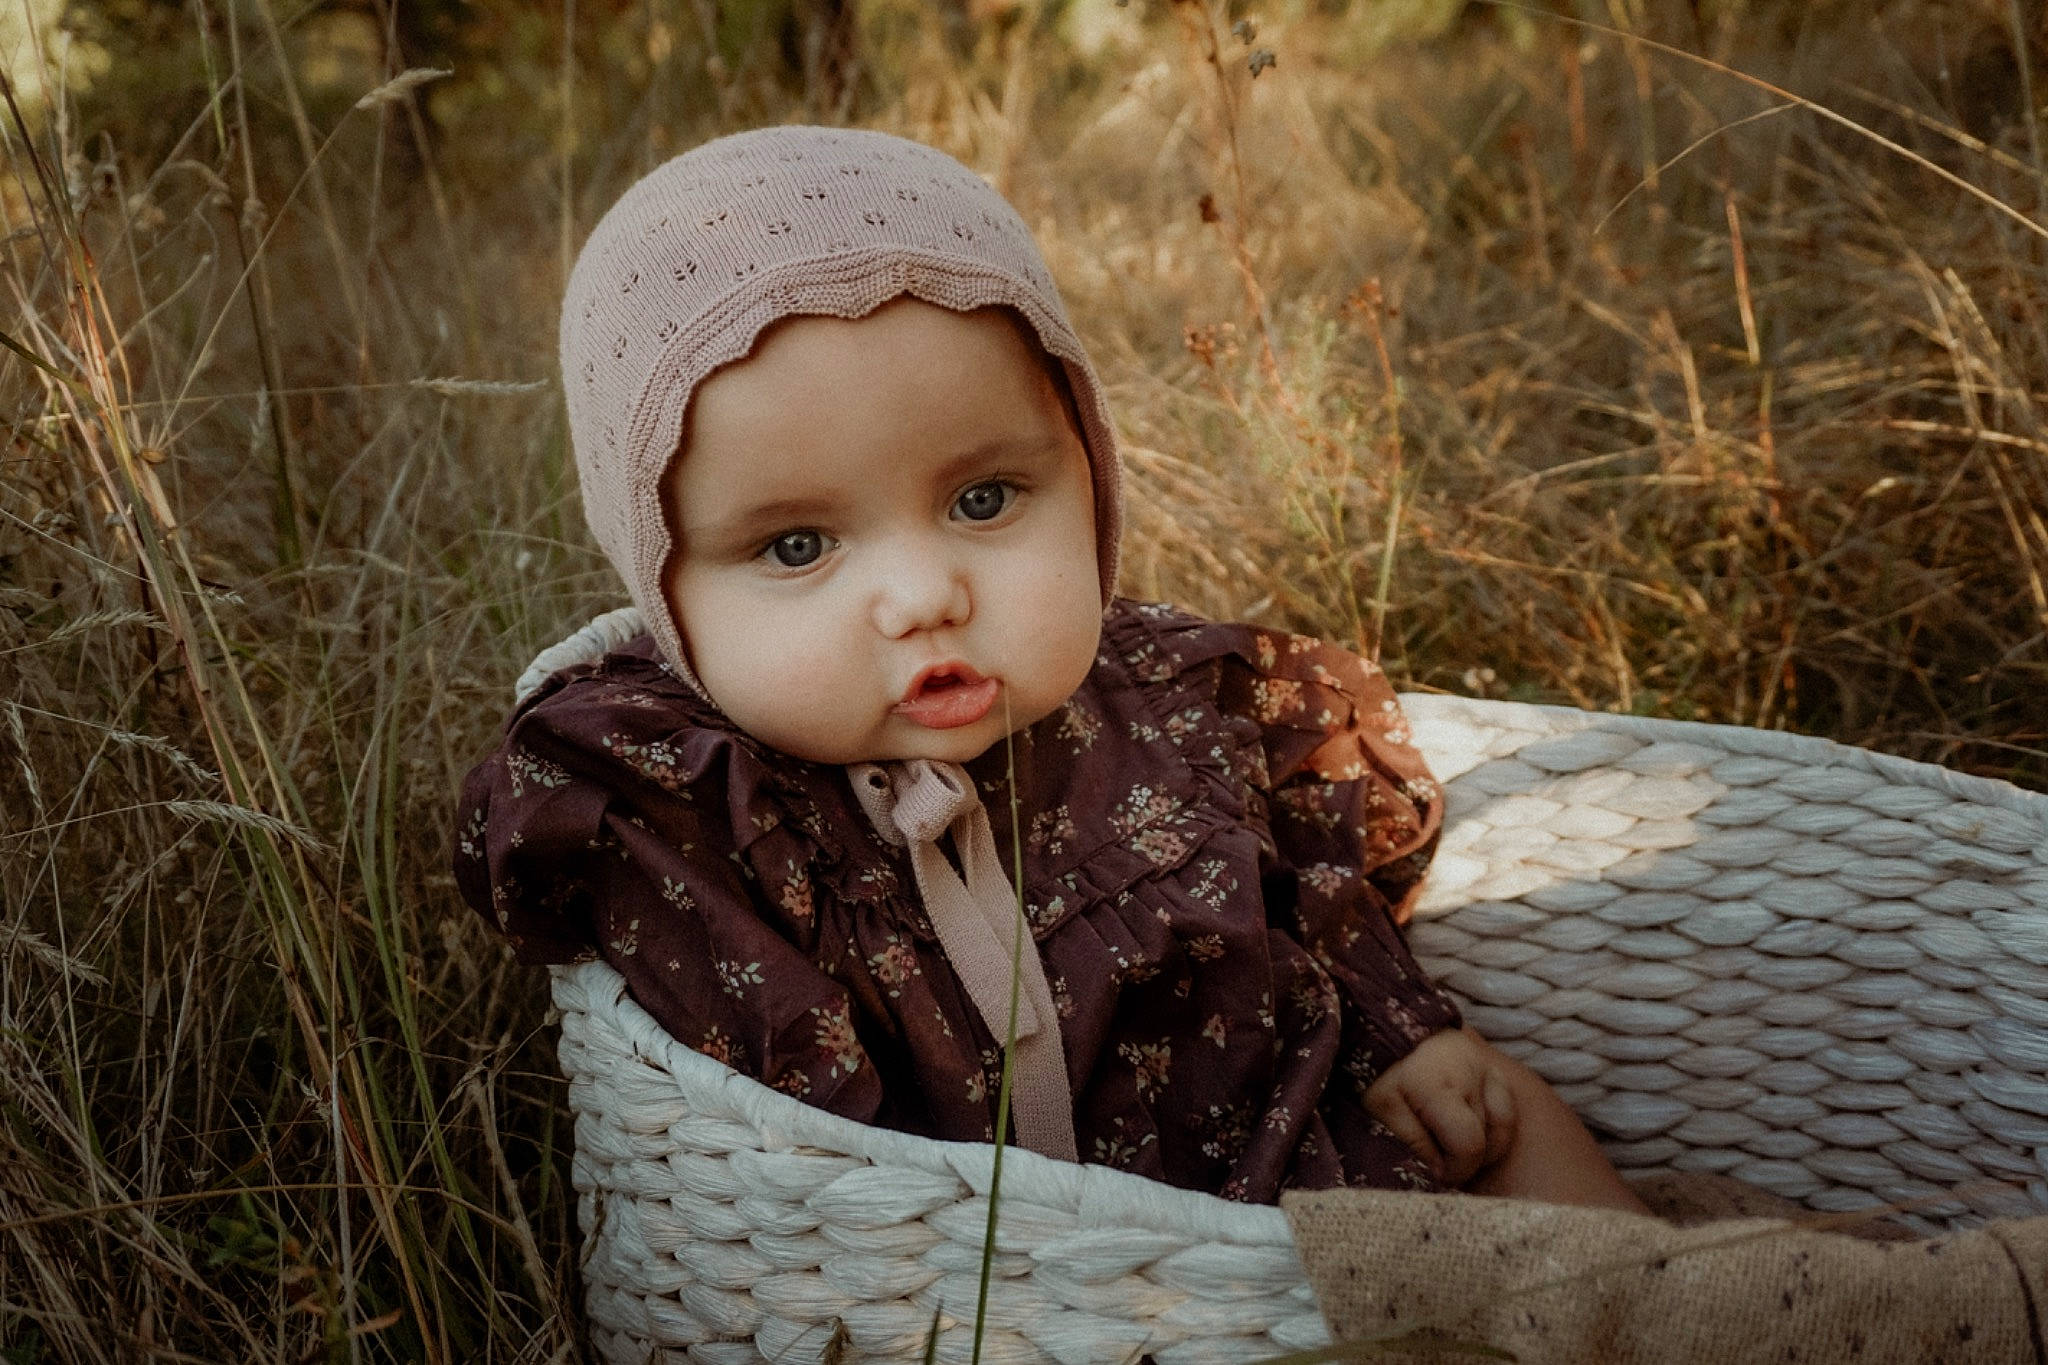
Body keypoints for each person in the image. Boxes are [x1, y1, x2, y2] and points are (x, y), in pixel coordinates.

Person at [455, 125, 1646, 1212]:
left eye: (983, 499)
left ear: (1088, 474)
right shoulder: (689, 794)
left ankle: (1665, 1298)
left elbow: (1310, 878)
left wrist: (1407, 1034)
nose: (924, 596)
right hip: (993, 1285)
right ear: (665, 593)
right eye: (795, 546)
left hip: (1319, 1193)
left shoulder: (1169, 697)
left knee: (1507, 1123)